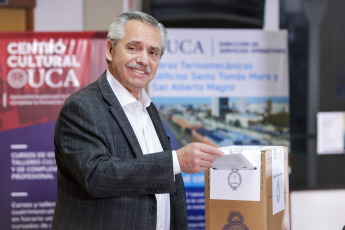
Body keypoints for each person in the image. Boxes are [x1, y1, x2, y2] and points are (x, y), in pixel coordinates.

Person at [51, 11, 224, 230]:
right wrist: (176, 162)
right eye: (133, 48)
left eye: (153, 52)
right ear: (110, 50)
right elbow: (95, 175)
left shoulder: (149, 108)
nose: (143, 60)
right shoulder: (81, 107)